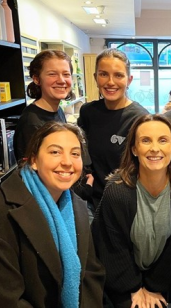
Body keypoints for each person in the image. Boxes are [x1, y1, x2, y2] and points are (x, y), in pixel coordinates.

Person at [91, 114, 171, 308]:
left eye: (163, 140)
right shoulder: (117, 192)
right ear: (134, 149)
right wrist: (134, 288)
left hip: (168, 280)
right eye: (145, 141)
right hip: (123, 282)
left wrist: (153, 287)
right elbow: (112, 248)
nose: (155, 148)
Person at [0, 121, 105, 307]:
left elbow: (91, 273)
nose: (67, 162)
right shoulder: (5, 209)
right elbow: (7, 297)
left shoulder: (78, 207)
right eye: (55, 152)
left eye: (75, 154)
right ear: (33, 160)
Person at [78, 48, 148, 209]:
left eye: (118, 75)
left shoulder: (140, 119)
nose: (110, 82)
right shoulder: (88, 112)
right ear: (95, 78)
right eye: (103, 74)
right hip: (92, 203)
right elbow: (81, 155)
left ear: (129, 80)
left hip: (126, 204)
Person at [14, 50, 73, 162]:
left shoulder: (57, 110)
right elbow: (31, 171)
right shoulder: (31, 122)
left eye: (66, 74)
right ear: (36, 79)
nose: (61, 80)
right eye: (52, 74)